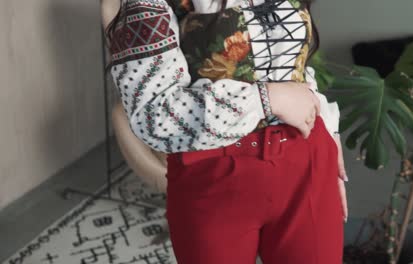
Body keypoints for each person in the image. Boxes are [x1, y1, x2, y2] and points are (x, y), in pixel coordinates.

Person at [103, 0, 348, 263]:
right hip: (212, 178)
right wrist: (267, 99)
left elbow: (294, 66)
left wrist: (330, 134)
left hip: (309, 162)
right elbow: (152, 114)